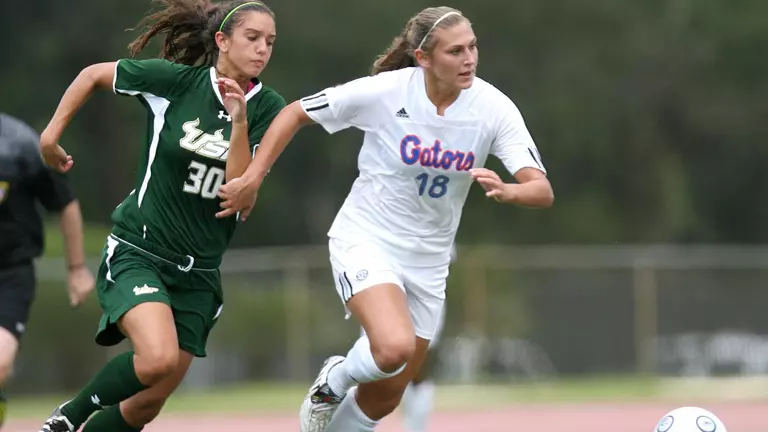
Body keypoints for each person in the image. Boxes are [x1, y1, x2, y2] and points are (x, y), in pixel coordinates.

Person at [217, 6, 554, 432]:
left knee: (386, 395)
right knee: (392, 347)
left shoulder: (493, 107)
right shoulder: (386, 92)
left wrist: (510, 190)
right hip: (367, 238)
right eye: (455, 51)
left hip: (429, 261)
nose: (469, 58)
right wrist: (253, 178)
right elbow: (296, 112)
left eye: (472, 47)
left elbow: (541, 190)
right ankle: (333, 379)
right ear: (424, 58)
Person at [37, 1, 285, 431]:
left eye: (270, 41)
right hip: (142, 251)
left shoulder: (270, 108)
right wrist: (50, 136)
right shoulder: (176, 83)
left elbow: (237, 192)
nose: (263, 49)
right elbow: (94, 75)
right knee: (156, 359)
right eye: (252, 38)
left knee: (146, 404)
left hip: (201, 274)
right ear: (222, 41)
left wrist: (240, 123)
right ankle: (68, 418)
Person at [0, 113, 95, 430]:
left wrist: (77, 268)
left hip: (9, 274)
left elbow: (64, 203)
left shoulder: (19, 145)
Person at [360, 243, 454, 432]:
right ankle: (329, 391)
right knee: (371, 368)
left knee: (416, 372)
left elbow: (445, 261)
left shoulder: (440, 221)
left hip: (423, 299)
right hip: (383, 298)